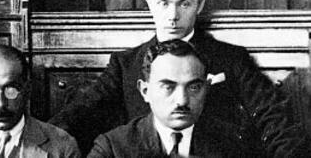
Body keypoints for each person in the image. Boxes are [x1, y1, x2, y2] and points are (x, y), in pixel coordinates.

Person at [49, 0, 307, 157]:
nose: (172, 16)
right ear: (149, 3)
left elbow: (273, 120)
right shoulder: (125, 64)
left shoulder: (231, 59)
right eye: (163, 3)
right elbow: (79, 115)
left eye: (184, 3)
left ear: (200, 4)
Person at [87, 39, 253, 158]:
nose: (182, 101)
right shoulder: (113, 148)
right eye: (168, 87)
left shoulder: (234, 145)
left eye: (194, 87)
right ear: (145, 91)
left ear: (206, 89)